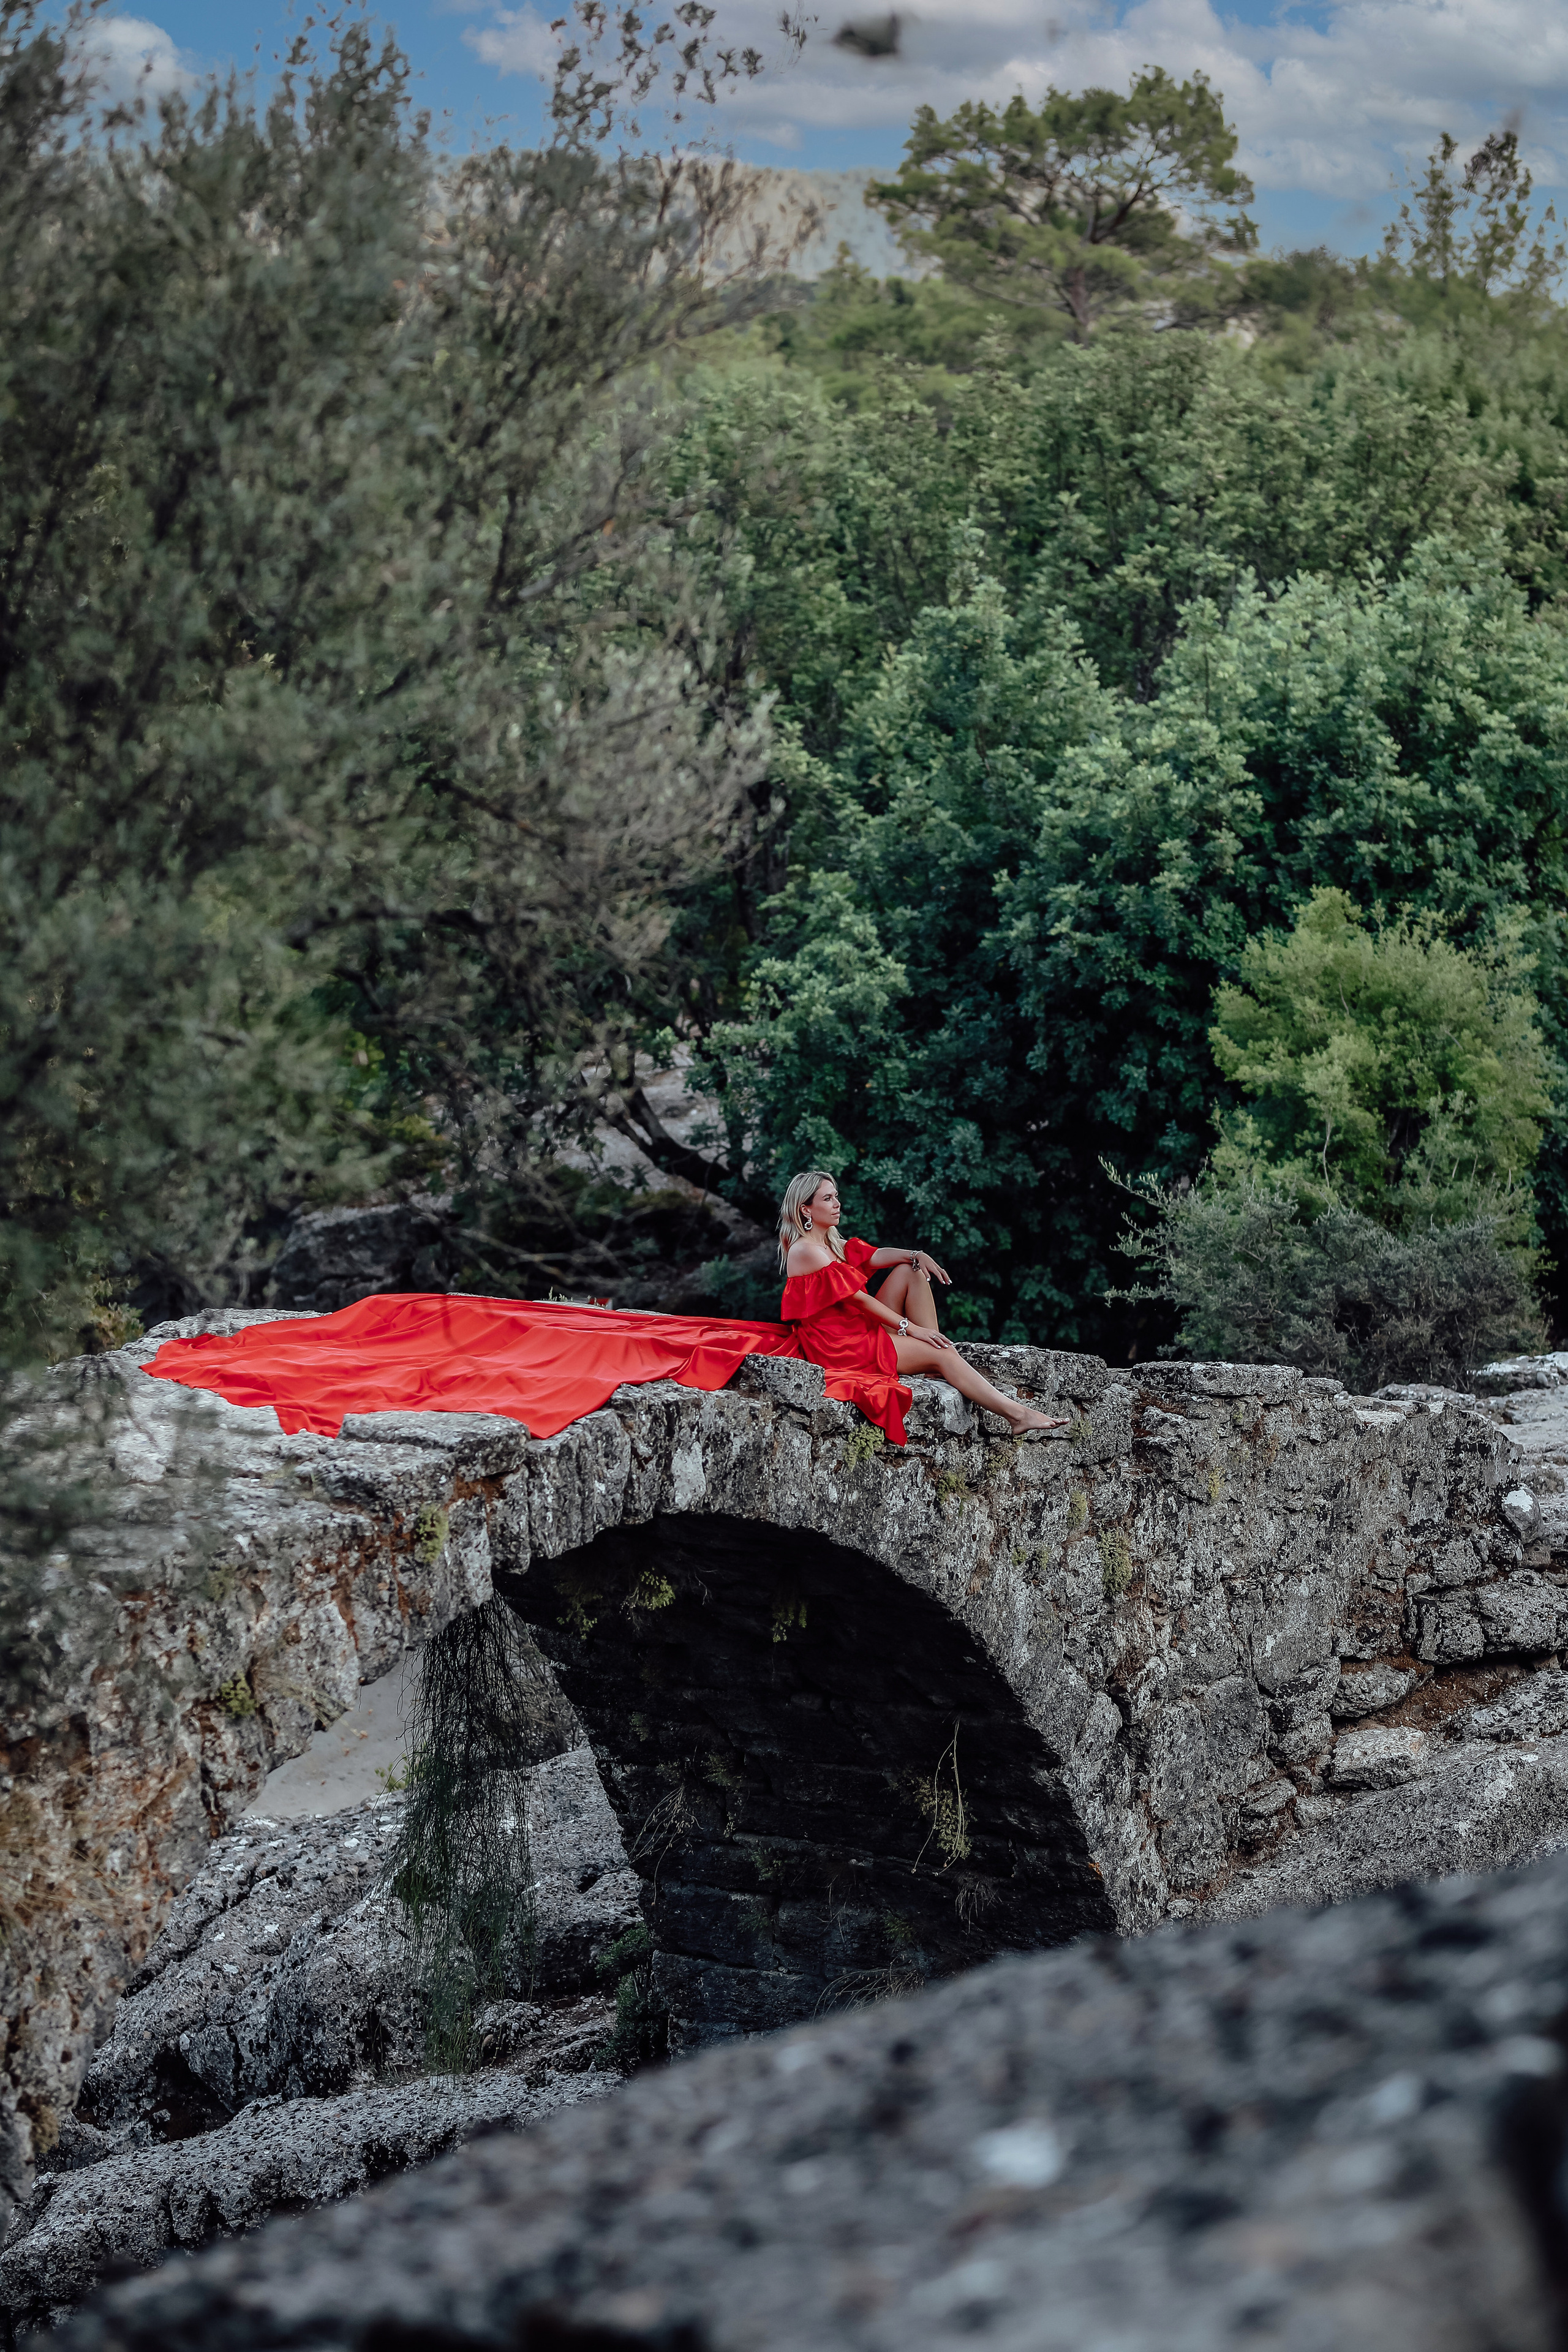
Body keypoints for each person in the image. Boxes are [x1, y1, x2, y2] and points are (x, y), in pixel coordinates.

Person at [778, 1169, 1069, 1447]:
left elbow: (875, 1255)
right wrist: (911, 1328)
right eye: (827, 1198)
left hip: (856, 1329)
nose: (837, 1203)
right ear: (806, 1209)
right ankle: (1017, 1416)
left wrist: (916, 1254)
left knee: (911, 1270)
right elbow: (859, 1300)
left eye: (836, 1196)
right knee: (943, 1352)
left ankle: (934, 1362)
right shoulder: (805, 1250)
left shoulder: (831, 1244)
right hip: (840, 1346)